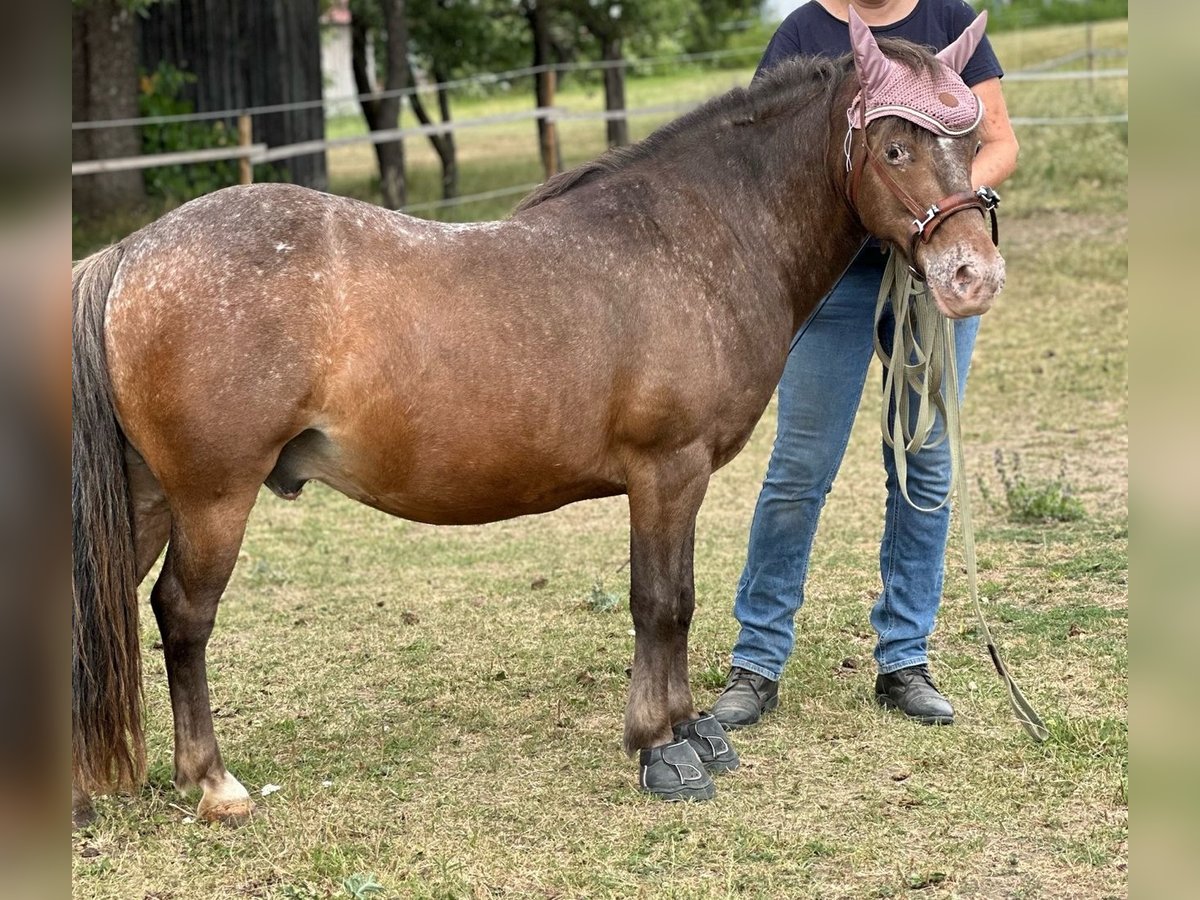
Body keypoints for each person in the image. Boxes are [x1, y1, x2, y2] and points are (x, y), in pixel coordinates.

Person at [711, 0, 1019, 730]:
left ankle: (904, 658)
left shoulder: (949, 18)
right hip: (837, 282)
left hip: (927, 275)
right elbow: (769, 157)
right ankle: (757, 660)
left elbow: (998, 139)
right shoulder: (804, 34)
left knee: (925, 465)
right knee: (800, 467)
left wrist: (946, 210)